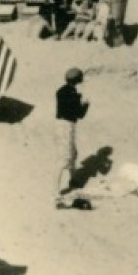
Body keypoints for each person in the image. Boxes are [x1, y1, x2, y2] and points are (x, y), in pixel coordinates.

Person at [55, 67, 89, 204]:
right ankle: (55, 191)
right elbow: (80, 114)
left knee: (73, 154)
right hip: (67, 126)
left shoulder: (61, 91)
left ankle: (73, 180)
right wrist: (86, 104)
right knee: (64, 159)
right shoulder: (74, 95)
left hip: (61, 125)